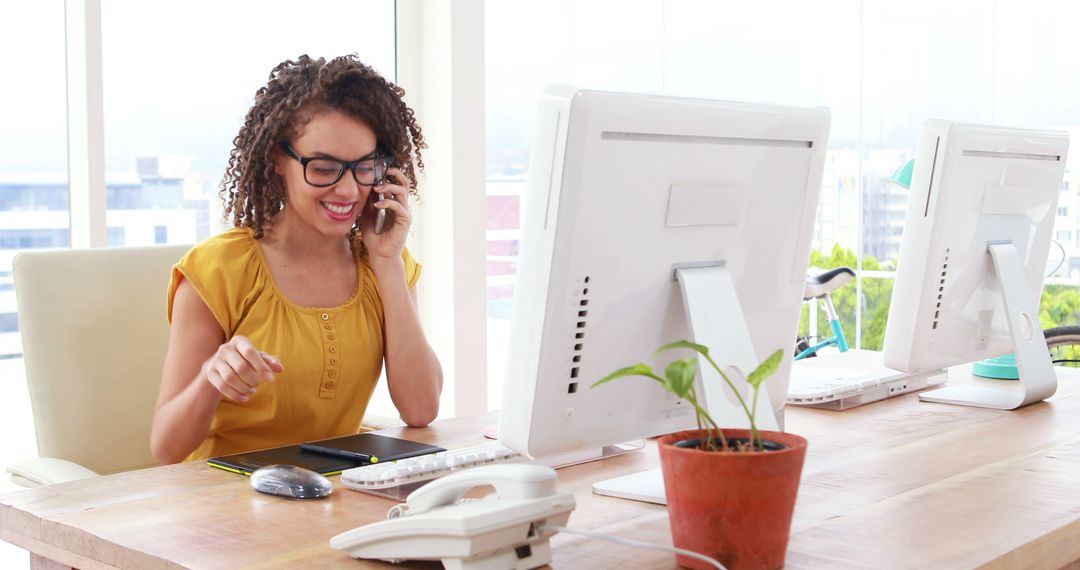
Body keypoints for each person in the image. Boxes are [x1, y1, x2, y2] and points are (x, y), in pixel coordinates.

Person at [150, 55, 443, 464]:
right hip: (222, 504)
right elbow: (166, 447)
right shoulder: (217, 270)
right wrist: (211, 379)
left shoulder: (385, 264)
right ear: (277, 160)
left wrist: (387, 262)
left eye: (364, 168)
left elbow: (421, 409)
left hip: (330, 495)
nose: (346, 190)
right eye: (323, 168)